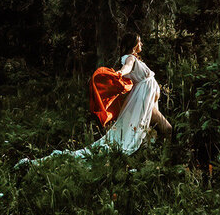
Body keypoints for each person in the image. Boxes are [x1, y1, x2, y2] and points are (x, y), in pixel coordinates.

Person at [17, 32, 172, 167]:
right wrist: (120, 73)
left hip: (146, 100)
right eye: (139, 41)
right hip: (143, 100)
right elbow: (128, 67)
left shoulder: (134, 59)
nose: (141, 44)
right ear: (134, 44)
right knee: (166, 129)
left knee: (156, 132)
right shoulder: (130, 58)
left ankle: (160, 160)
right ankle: (167, 160)